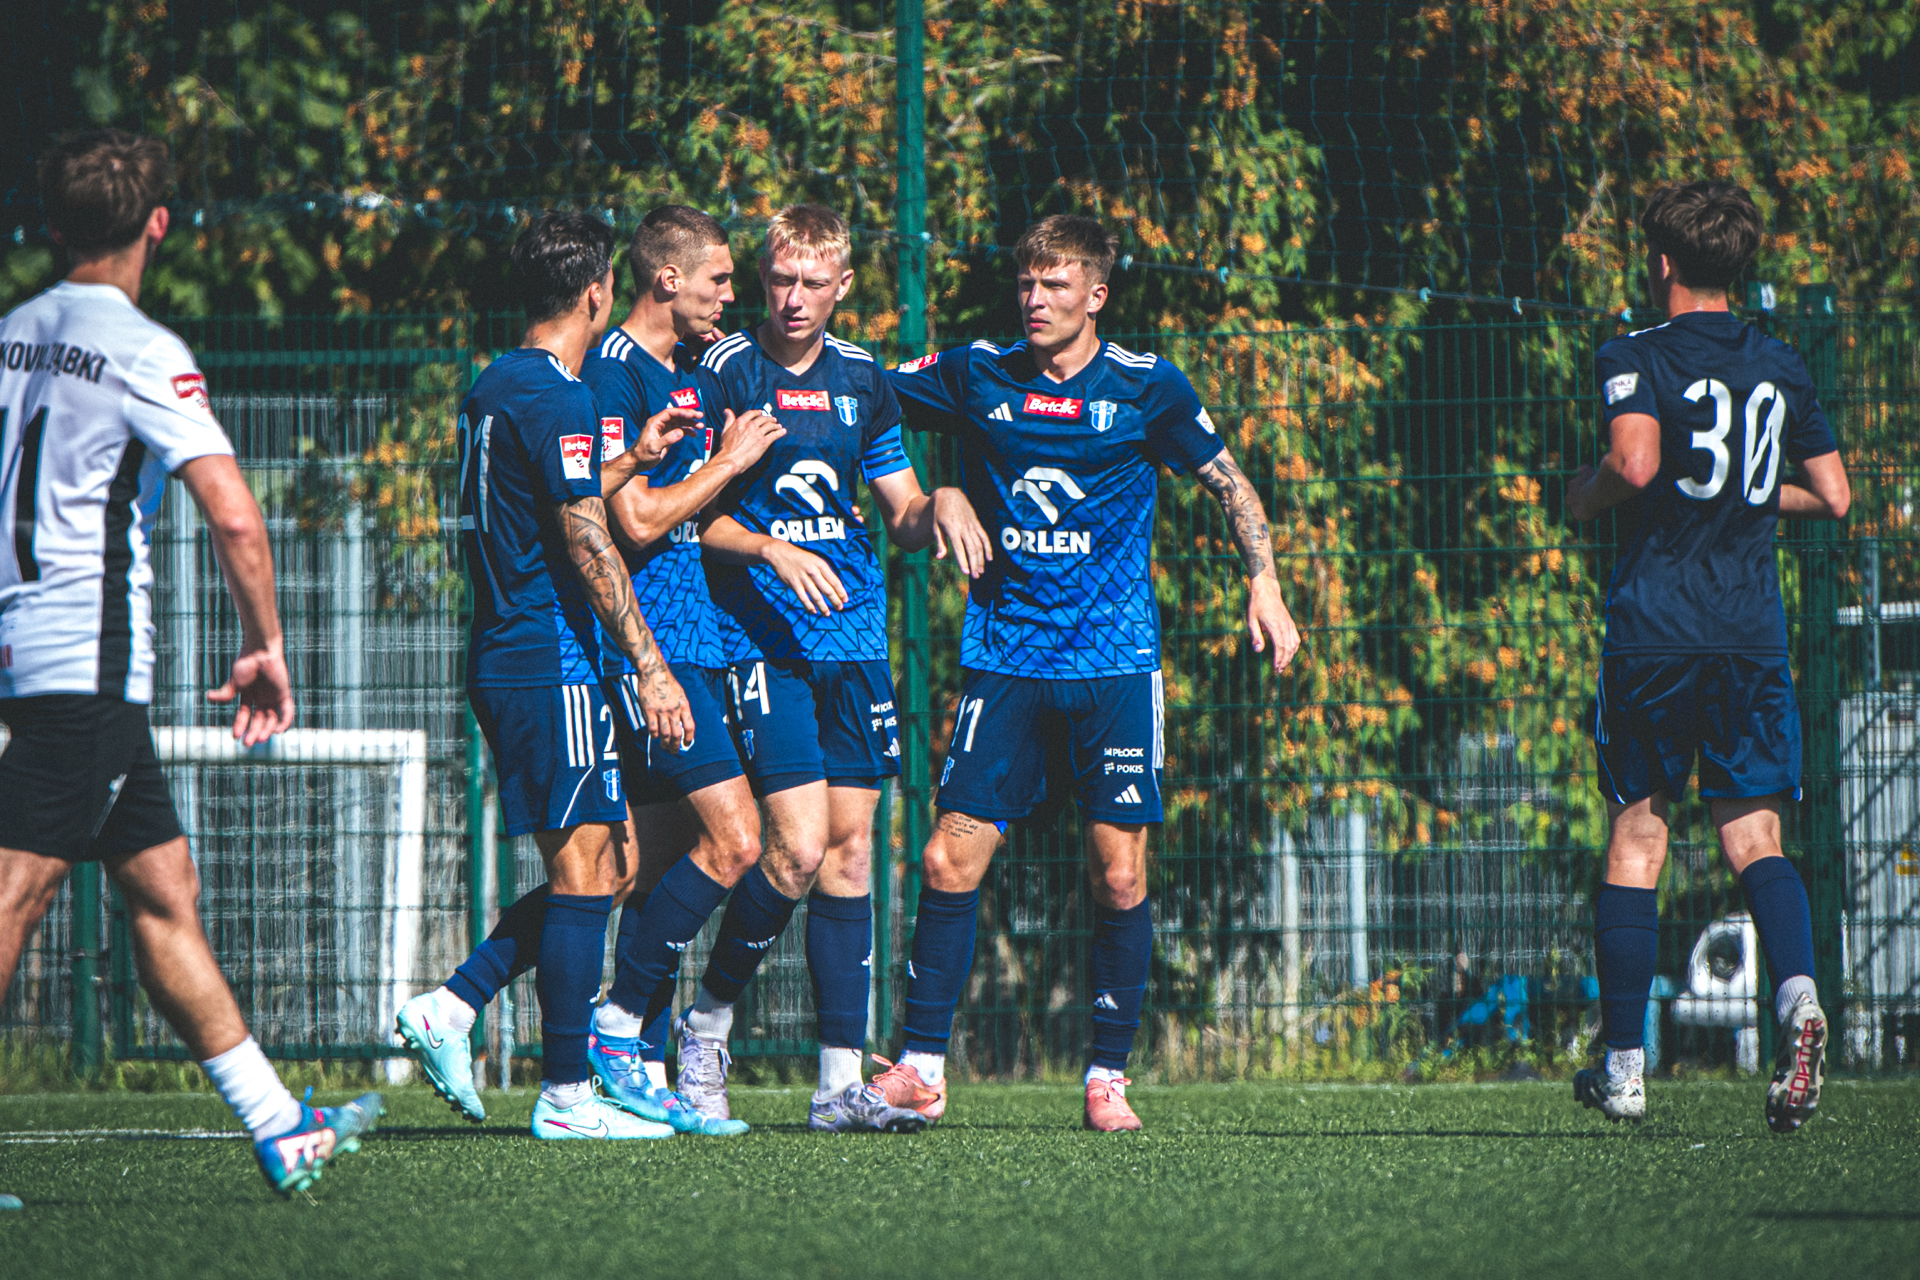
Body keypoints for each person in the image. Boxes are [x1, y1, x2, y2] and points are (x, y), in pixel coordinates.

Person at [0, 129, 379, 1198]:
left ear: (52, 223)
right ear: (158, 224)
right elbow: (234, 514)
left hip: (30, 652)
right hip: (85, 662)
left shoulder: (12, 334)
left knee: (165, 887)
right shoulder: (142, 348)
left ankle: (280, 1124)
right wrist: (265, 643)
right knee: (15, 895)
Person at [876, 214, 1301, 1131]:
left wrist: (1263, 582)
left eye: (1056, 285)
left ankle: (1107, 1078)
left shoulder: (1148, 387)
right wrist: (937, 492)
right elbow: (861, 394)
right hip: (1005, 660)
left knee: (1118, 877)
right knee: (947, 858)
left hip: (1114, 667)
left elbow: (1230, 483)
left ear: (1096, 295)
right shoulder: (976, 372)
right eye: (1027, 284)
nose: (1035, 300)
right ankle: (920, 1069)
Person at [394, 210, 696, 1141]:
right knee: (582, 871)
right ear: (598, 292)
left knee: (613, 864)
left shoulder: (496, 383)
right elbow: (583, 538)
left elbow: (546, 496)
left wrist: (631, 458)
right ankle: (566, 1094)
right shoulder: (561, 396)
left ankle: (454, 1005)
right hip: (547, 655)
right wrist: (651, 666)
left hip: (513, 649)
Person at [690, 204, 989, 1132]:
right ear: (762, 277)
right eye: (781, 278)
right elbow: (695, 513)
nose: (794, 297)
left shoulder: (865, 380)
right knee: (796, 848)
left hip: (854, 643)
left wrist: (940, 502)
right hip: (762, 640)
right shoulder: (725, 369)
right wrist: (772, 551)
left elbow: (900, 511)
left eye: (813, 282)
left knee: (853, 853)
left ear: (843, 286)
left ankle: (835, 1087)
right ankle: (705, 1028)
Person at [1564, 180, 1850, 1131]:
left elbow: (1635, 463)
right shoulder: (1779, 360)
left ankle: (1624, 1068)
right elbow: (1835, 495)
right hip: (1750, 633)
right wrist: (1748, 494)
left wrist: (1583, 495)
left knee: (1639, 838)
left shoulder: (1636, 352)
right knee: (1756, 840)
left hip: (1657, 630)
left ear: (1662, 263)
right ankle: (1799, 1000)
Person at [578, 206, 791, 1136]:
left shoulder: (686, 373)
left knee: (642, 871)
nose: (730, 296)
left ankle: (630, 1065)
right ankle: (616, 1025)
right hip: (651, 649)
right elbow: (633, 519)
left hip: (692, 640)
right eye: (720, 279)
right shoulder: (615, 371)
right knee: (738, 842)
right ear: (668, 279)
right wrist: (732, 461)